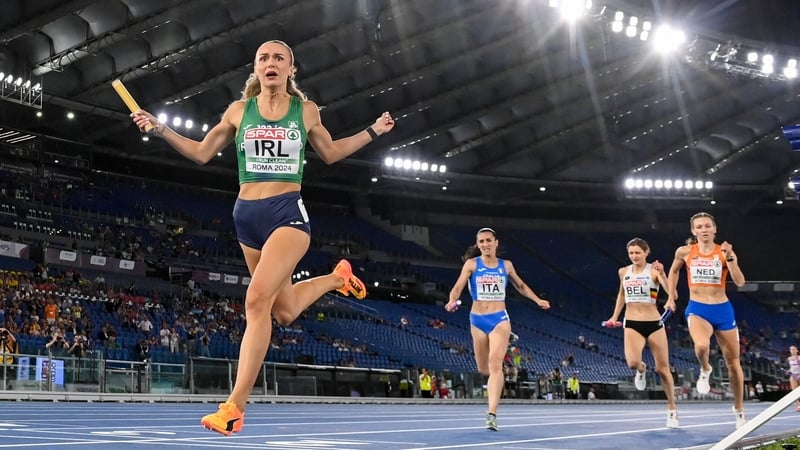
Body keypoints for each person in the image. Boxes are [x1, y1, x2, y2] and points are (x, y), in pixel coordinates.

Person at [131, 39, 395, 436]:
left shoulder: (305, 111)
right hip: (246, 217)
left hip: (287, 214)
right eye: (263, 58)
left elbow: (332, 152)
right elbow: (202, 153)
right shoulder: (239, 111)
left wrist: (373, 131)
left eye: (279, 58)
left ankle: (234, 407)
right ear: (255, 69)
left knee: (255, 301)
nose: (270, 63)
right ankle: (337, 279)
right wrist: (161, 128)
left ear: (291, 69)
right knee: (283, 311)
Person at [445, 227, 550, 431]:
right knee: (484, 369)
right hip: (477, 319)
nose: (485, 244)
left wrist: (537, 300)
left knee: (495, 365)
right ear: (478, 245)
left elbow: (520, 285)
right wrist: (451, 301)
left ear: (496, 243)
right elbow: (458, 287)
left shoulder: (506, 265)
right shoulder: (472, 264)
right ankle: (494, 385)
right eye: (481, 241)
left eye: (488, 240)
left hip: (499, 319)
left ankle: (491, 414)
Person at [666, 212, 747, 429]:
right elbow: (673, 271)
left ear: (714, 229)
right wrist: (671, 294)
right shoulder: (684, 252)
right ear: (693, 231)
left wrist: (730, 258)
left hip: (722, 309)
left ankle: (739, 410)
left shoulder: (724, 251)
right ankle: (705, 369)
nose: (704, 230)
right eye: (699, 227)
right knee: (701, 346)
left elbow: (739, 281)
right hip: (698, 308)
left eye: (707, 226)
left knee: (734, 364)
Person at [605, 237, 678, 428]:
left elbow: (673, 293)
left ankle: (672, 409)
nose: (634, 256)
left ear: (646, 252)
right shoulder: (624, 272)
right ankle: (641, 369)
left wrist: (663, 276)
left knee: (663, 369)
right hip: (632, 323)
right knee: (632, 363)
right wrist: (614, 316)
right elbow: (622, 294)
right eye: (631, 253)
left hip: (654, 322)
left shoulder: (653, 271)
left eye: (638, 252)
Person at [787, 345, 800, 411]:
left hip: (799, 374)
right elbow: (792, 367)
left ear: (797, 350)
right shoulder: (789, 358)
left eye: (794, 349)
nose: (792, 351)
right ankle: (798, 406)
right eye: (791, 349)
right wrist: (789, 371)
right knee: (794, 391)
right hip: (793, 375)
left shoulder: (799, 357)